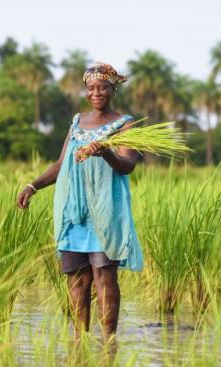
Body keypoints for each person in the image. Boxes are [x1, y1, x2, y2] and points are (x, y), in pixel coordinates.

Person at [17, 62, 143, 341]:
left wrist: (105, 153)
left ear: (113, 89)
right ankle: (79, 343)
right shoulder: (77, 122)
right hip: (73, 211)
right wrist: (32, 185)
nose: (96, 93)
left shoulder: (125, 124)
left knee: (104, 276)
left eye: (103, 87)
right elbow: (61, 164)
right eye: (91, 88)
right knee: (76, 279)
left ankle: (109, 343)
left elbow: (126, 166)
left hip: (105, 210)